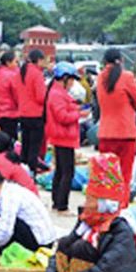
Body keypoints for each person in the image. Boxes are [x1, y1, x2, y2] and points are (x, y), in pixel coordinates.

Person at [44, 154, 136, 272]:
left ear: (104, 205)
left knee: (82, 248)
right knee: (66, 243)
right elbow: (59, 252)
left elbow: (106, 271)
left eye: (90, 200)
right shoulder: (86, 224)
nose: (85, 205)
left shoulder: (120, 232)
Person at [97, 48, 136, 205]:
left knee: (107, 176)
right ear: (121, 61)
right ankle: (121, 209)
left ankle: (107, 210)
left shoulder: (100, 78)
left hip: (105, 133)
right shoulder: (127, 77)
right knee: (124, 175)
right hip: (125, 133)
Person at [0, 169, 55, 253]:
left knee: (5, 227)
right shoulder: (9, 189)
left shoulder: (9, 196)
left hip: (41, 242)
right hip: (39, 236)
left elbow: (5, 231)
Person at [45, 62, 86, 213]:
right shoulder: (57, 94)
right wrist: (79, 114)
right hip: (64, 137)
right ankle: (62, 205)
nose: (73, 83)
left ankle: (57, 202)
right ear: (65, 78)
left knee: (61, 171)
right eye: (72, 80)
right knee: (67, 172)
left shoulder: (56, 92)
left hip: (61, 136)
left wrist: (76, 109)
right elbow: (62, 117)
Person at [18, 49, 48, 172]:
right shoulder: (37, 74)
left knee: (25, 143)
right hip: (36, 114)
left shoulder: (21, 72)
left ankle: (24, 168)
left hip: (23, 112)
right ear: (39, 60)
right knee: (34, 146)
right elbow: (41, 97)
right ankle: (32, 168)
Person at [0, 51, 21, 140]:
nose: (17, 64)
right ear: (8, 62)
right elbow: (17, 94)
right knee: (11, 142)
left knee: (2, 141)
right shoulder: (12, 75)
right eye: (16, 62)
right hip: (10, 112)